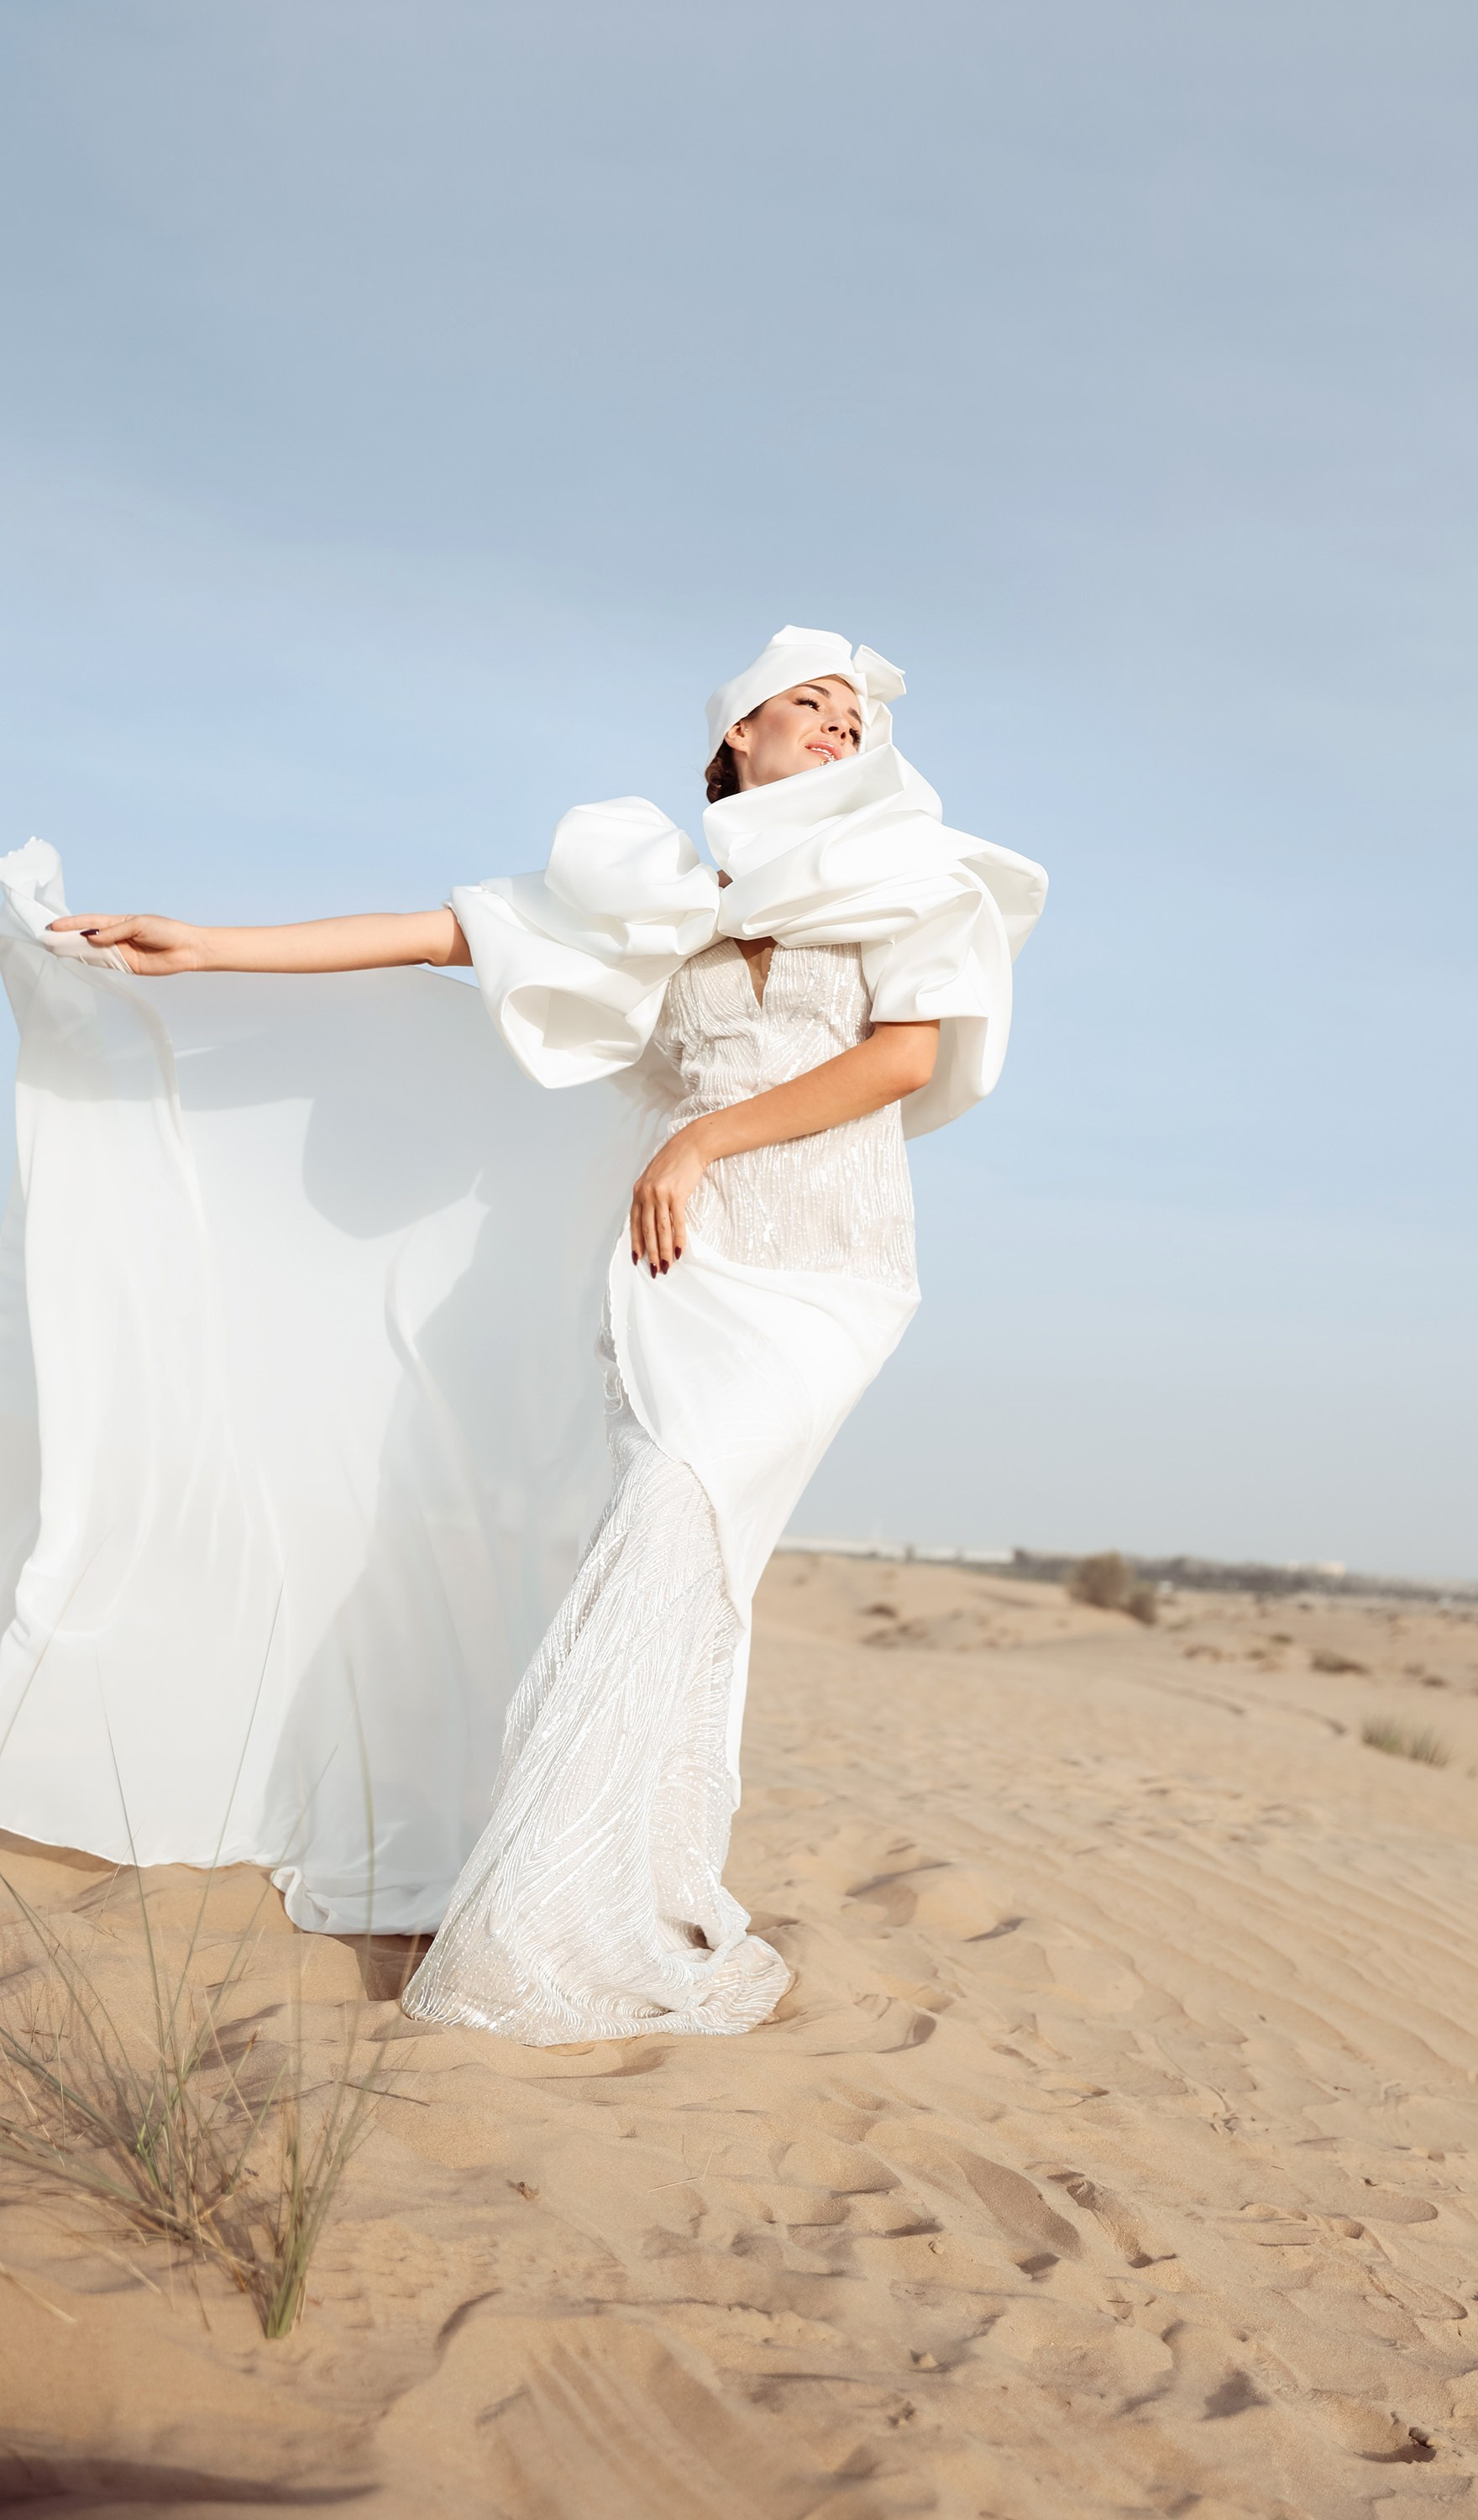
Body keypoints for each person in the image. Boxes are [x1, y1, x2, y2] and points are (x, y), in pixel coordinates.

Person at [1, 626, 1045, 2043]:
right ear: (737, 736)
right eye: (805, 702)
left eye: (854, 711)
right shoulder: (660, 892)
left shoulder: (910, 880)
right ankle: (590, 1886)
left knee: (686, 1523)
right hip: (677, 1264)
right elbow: (443, 937)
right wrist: (208, 949)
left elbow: (904, 1056)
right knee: (660, 1545)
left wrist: (704, 1144)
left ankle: (600, 1893)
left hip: (824, 1265)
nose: (838, 721)